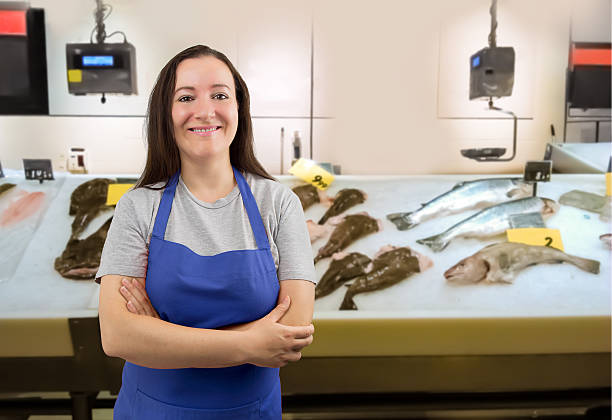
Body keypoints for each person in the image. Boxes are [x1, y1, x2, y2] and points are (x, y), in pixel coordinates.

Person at [97, 44, 316, 419]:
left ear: (238, 109)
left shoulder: (279, 204)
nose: (205, 110)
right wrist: (250, 343)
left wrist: (162, 335)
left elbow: (290, 336)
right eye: (186, 97)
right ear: (166, 114)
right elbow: (117, 336)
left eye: (219, 95)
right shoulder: (138, 206)